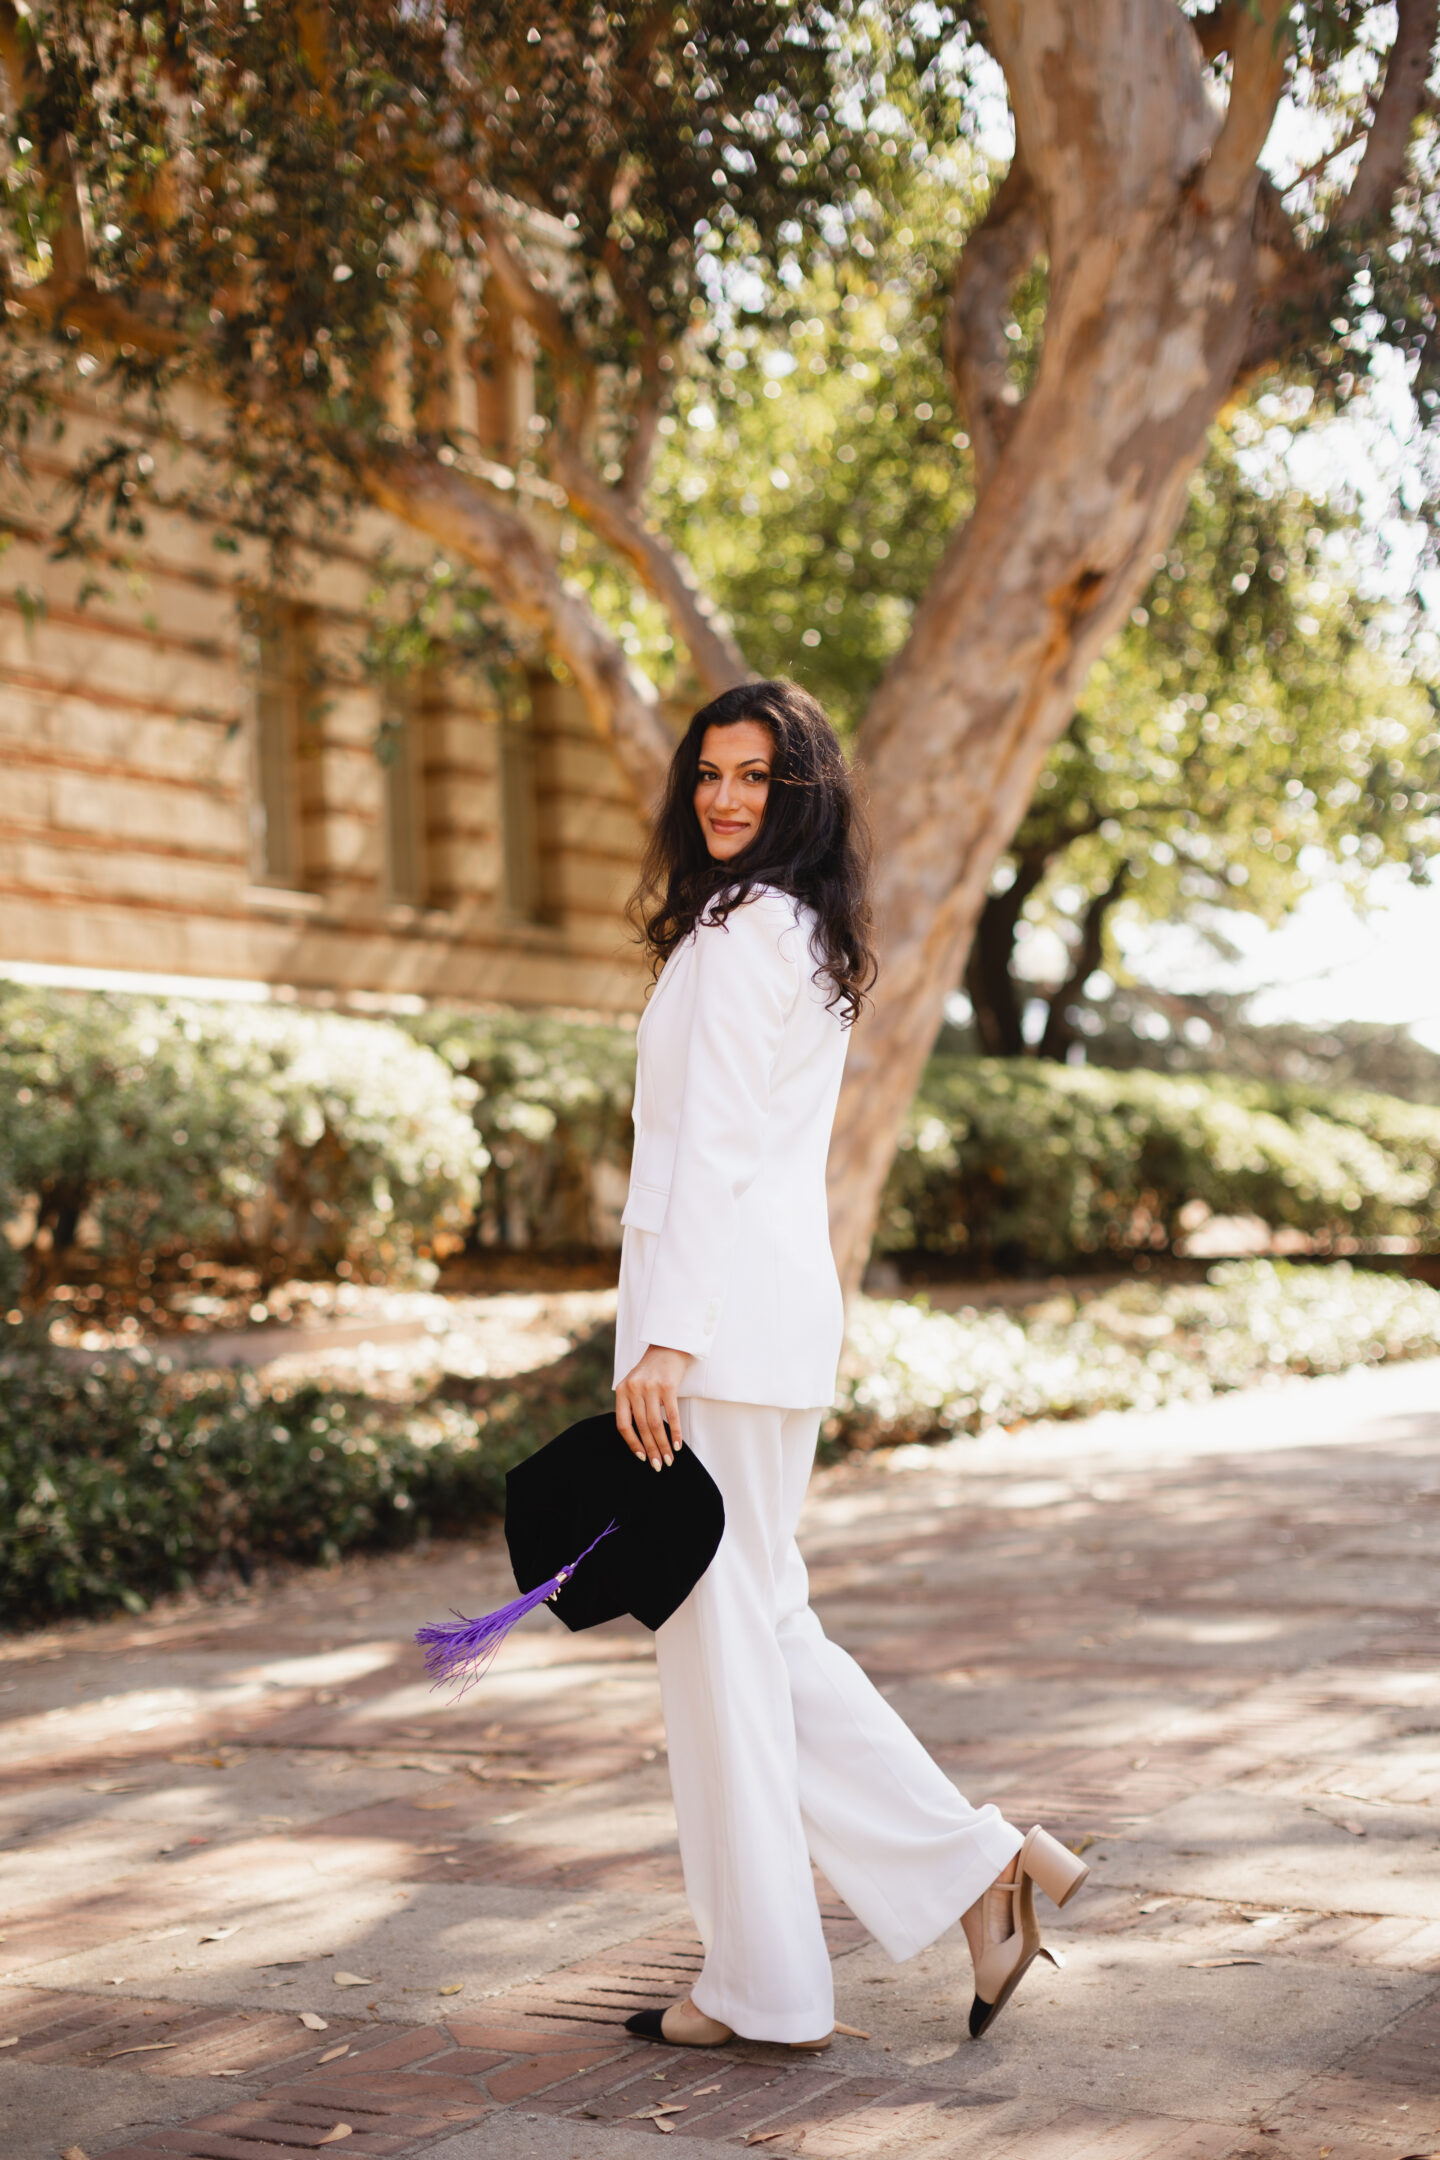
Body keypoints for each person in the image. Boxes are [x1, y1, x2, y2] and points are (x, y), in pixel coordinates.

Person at [613, 679, 1086, 2051]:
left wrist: (667, 1335)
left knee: (723, 1656)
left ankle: (765, 1987)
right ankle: (983, 1873)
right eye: (710, 773)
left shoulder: (739, 935)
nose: (724, 798)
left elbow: (712, 1149)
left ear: (800, 793)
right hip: (765, 1327)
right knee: (761, 1631)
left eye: (755, 776)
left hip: (715, 1338)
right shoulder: (799, 931)